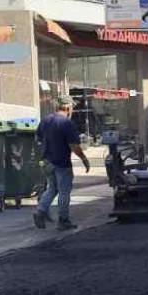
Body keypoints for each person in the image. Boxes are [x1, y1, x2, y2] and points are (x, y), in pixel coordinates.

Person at [35, 97, 91, 231]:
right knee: (64, 192)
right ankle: (63, 220)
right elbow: (74, 146)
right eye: (72, 107)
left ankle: (40, 212)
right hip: (62, 163)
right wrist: (84, 159)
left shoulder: (45, 120)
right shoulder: (66, 123)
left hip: (46, 162)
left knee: (52, 189)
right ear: (67, 108)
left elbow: (38, 139)